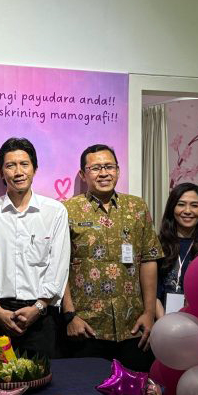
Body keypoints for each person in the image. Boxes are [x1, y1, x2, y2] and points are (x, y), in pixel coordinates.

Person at [60, 144, 162, 371]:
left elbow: (148, 259)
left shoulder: (137, 207)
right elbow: (59, 266)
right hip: (86, 328)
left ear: (118, 170)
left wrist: (149, 313)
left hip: (133, 326)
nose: (104, 173)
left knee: (136, 389)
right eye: (96, 168)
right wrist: (70, 316)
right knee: (86, 390)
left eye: (109, 167)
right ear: (82, 174)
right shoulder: (67, 210)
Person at [0, 137, 69, 358]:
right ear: (1, 172)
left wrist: (39, 307)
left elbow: (59, 265)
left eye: (24, 164)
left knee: (45, 377)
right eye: (11, 165)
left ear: (35, 169)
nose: (18, 172)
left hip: (43, 316)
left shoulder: (55, 211)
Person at [155, 182, 198, 316]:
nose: (187, 211)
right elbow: (152, 292)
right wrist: (164, 323)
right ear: (172, 208)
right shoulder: (156, 245)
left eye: (194, 205)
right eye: (181, 204)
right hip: (161, 319)